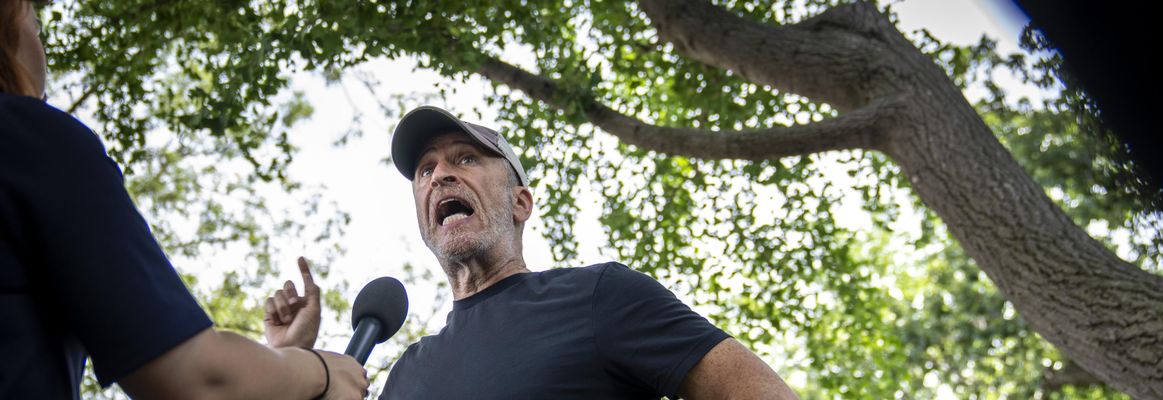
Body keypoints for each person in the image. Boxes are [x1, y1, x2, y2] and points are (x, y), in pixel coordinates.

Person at [267, 106, 800, 399]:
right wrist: (288, 359)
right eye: (425, 170)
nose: (440, 174)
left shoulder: (600, 296)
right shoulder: (407, 373)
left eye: (466, 158)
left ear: (519, 202)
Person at [0, 1, 368, 398]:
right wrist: (322, 372)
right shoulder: (32, 139)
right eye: (35, 25)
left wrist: (278, 362)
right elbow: (198, 380)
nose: (43, 50)